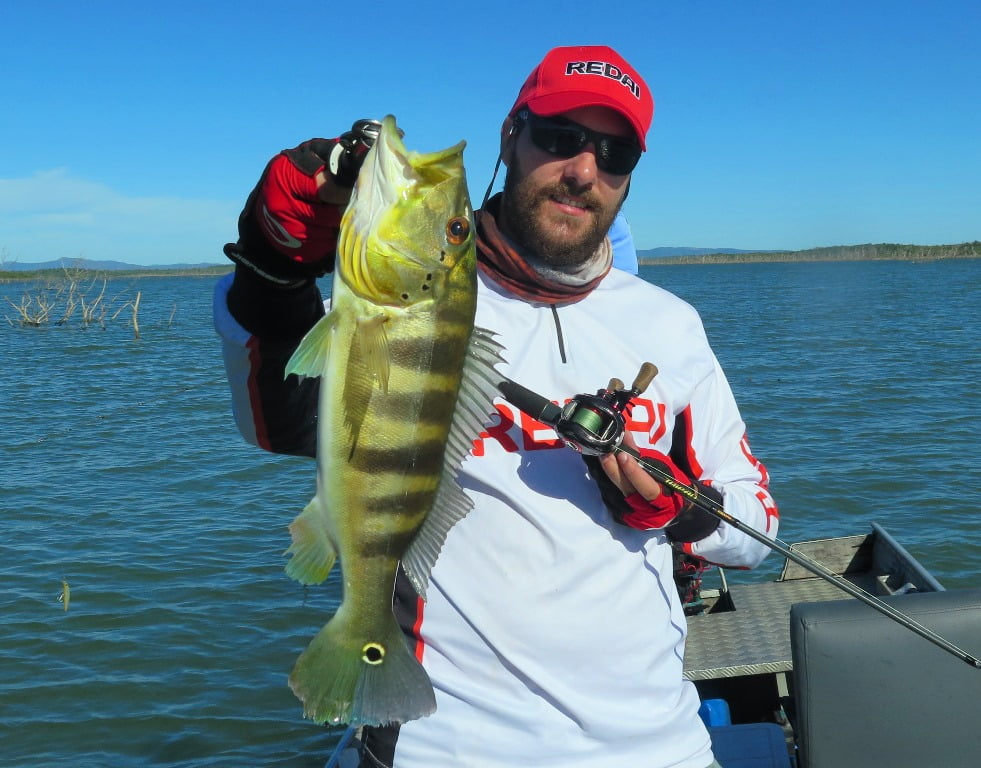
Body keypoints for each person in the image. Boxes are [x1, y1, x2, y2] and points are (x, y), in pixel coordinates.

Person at [214, 44, 778, 768]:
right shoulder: (412, 306)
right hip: (443, 747)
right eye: (560, 137)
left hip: (659, 746)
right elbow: (274, 421)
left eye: (615, 153)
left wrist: (677, 506)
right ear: (511, 136)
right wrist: (273, 265)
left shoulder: (669, 325)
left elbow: (757, 533)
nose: (584, 170)